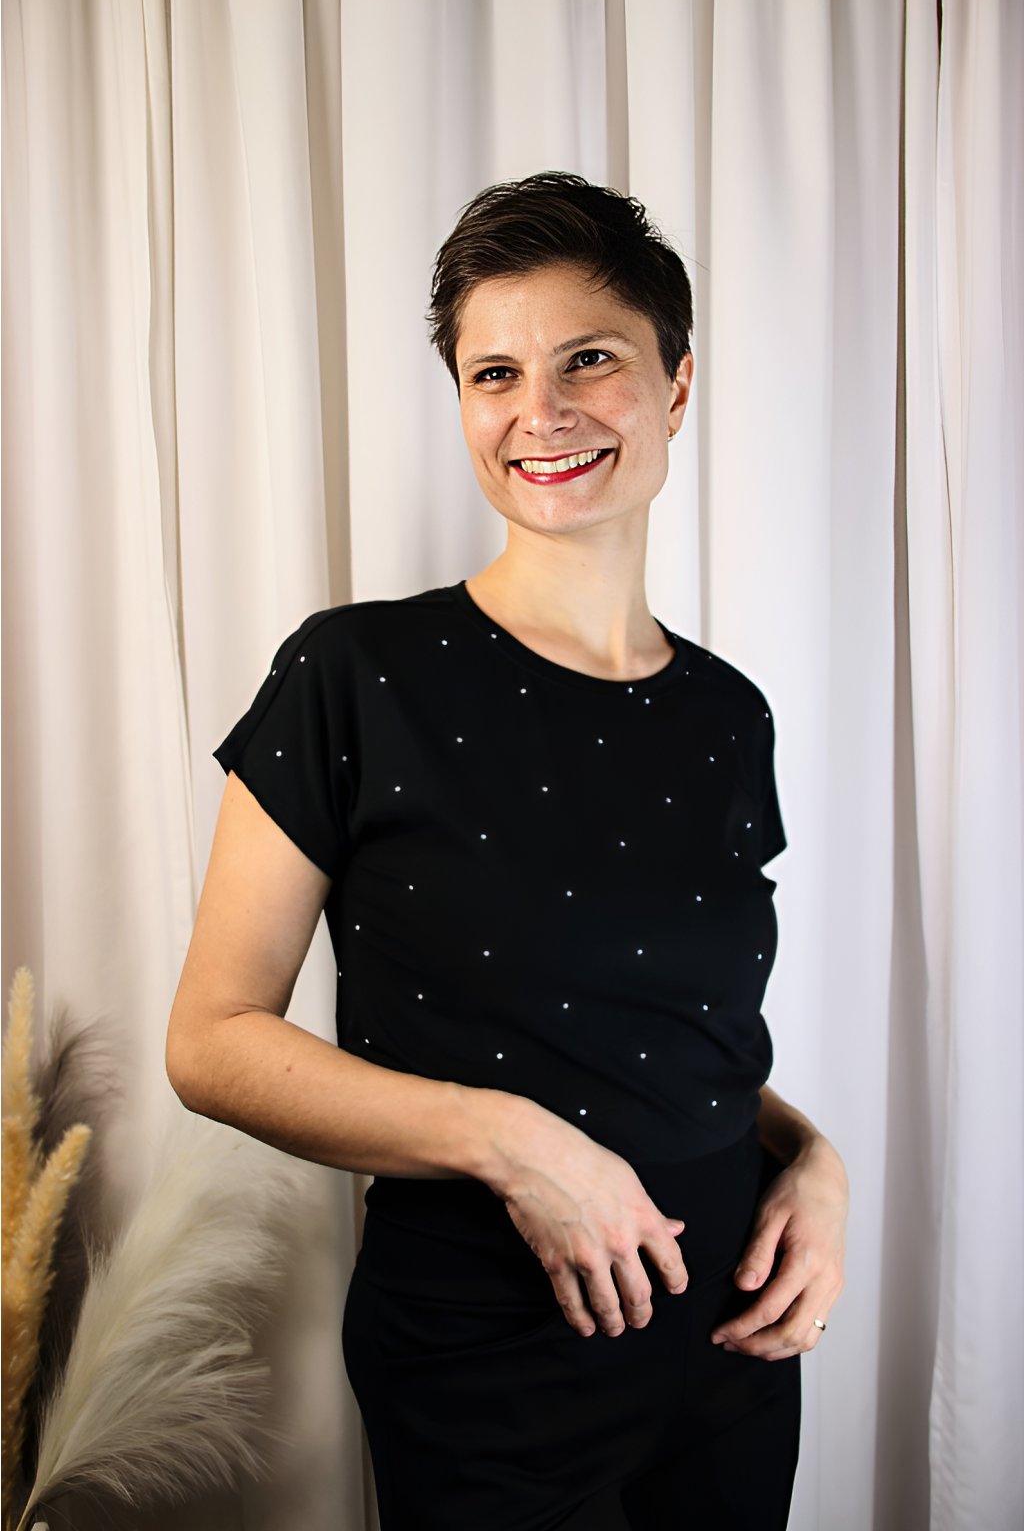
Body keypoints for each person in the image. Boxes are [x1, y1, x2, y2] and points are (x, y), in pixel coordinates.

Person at [166, 172, 848, 1531]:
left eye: (589, 358)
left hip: (733, 1334)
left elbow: (671, 1036)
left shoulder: (730, 715)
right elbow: (213, 1041)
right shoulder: (356, 674)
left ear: (677, 386)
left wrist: (812, 1157)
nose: (541, 410)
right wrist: (511, 1142)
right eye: (496, 373)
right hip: (485, 1353)